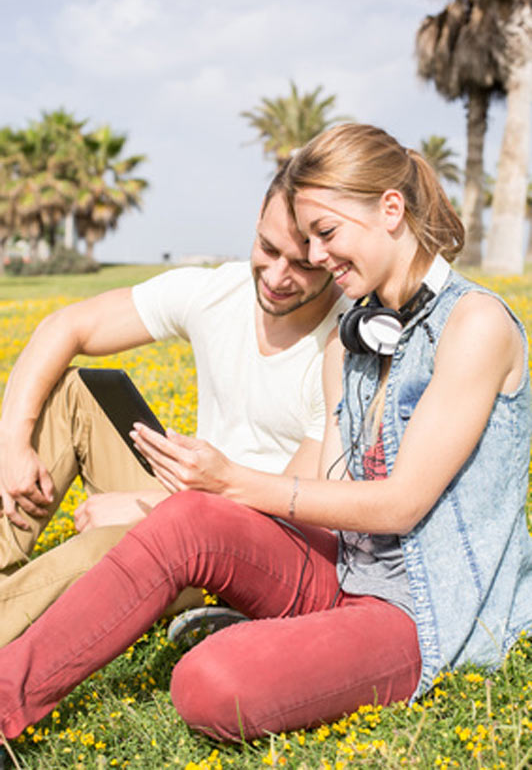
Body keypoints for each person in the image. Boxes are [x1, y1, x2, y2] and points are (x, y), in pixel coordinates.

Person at [0, 122, 531, 746]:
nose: (319, 259)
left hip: (421, 609)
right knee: (187, 520)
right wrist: (203, 506)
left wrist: (231, 481)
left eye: (326, 236)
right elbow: (332, 500)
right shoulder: (354, 340)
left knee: (210, 682)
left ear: (392, 210)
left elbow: (401, 503)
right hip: (342, 572)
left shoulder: (475, 324)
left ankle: (234, 632)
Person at [0, 167, 347, 646]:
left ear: (332, 257)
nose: (277, 276)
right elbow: (67, 326)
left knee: (109, 550)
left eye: (303, 264)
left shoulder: (342, 349)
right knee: (75, 392)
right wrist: (12, 444)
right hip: (188, 497)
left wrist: (148, 512)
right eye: (267, 249)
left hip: (245, 550)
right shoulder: (219, 293)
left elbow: (300, 508)